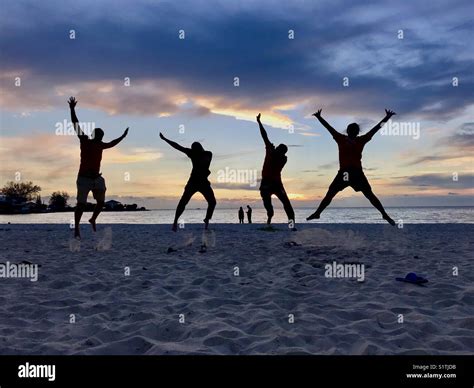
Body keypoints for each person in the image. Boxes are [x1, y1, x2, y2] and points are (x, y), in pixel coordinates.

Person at [307, 109, 396, 226]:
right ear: (348, 131)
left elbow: (376, 128)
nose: (352, 131)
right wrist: (319, 117)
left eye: (354, 130)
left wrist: (387, 117)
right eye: (351, 129)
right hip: (345, 173)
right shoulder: (341, 138)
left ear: (357, 132)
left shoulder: (361, 140)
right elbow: (329, 128)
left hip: (356, 173)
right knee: (331, 193)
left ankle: (384, 214)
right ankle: (318, 213)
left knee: (369, 194)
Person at [68, 97, 129, 239]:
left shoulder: (101, 145)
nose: (102, 138)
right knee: (81, 204)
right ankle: (77, 227)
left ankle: (93, 219)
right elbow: (75, 124)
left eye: (102, 136)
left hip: (97, 178)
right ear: (95, 135)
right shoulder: (85, 140)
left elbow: (113, 143)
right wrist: (72, 109)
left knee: (101, 202)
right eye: (100, 135)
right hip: (83, 178)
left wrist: (123, 136)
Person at [159, 132, 216, 231]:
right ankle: (175, 222)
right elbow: (177, 146)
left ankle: (207, 219)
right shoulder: (197, 153)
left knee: (212, 202)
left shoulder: (206, 153)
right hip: (194, 182)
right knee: (183, 202)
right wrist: (165, 139)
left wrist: (165, 139)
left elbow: (178, 147)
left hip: (201, 182)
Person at [256, 113, 295, 228]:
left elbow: (266, 138)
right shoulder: (272, 151)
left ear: (282, 152)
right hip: (266, 182)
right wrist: (259, 123)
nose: (278, 150)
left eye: (281, 150)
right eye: (278, 148)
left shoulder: (282, 158)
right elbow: (264, 135)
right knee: (268, 206)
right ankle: (269, 218)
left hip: (276, 184)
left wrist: (272, 149)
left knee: (287, 205)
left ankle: (291, 226)